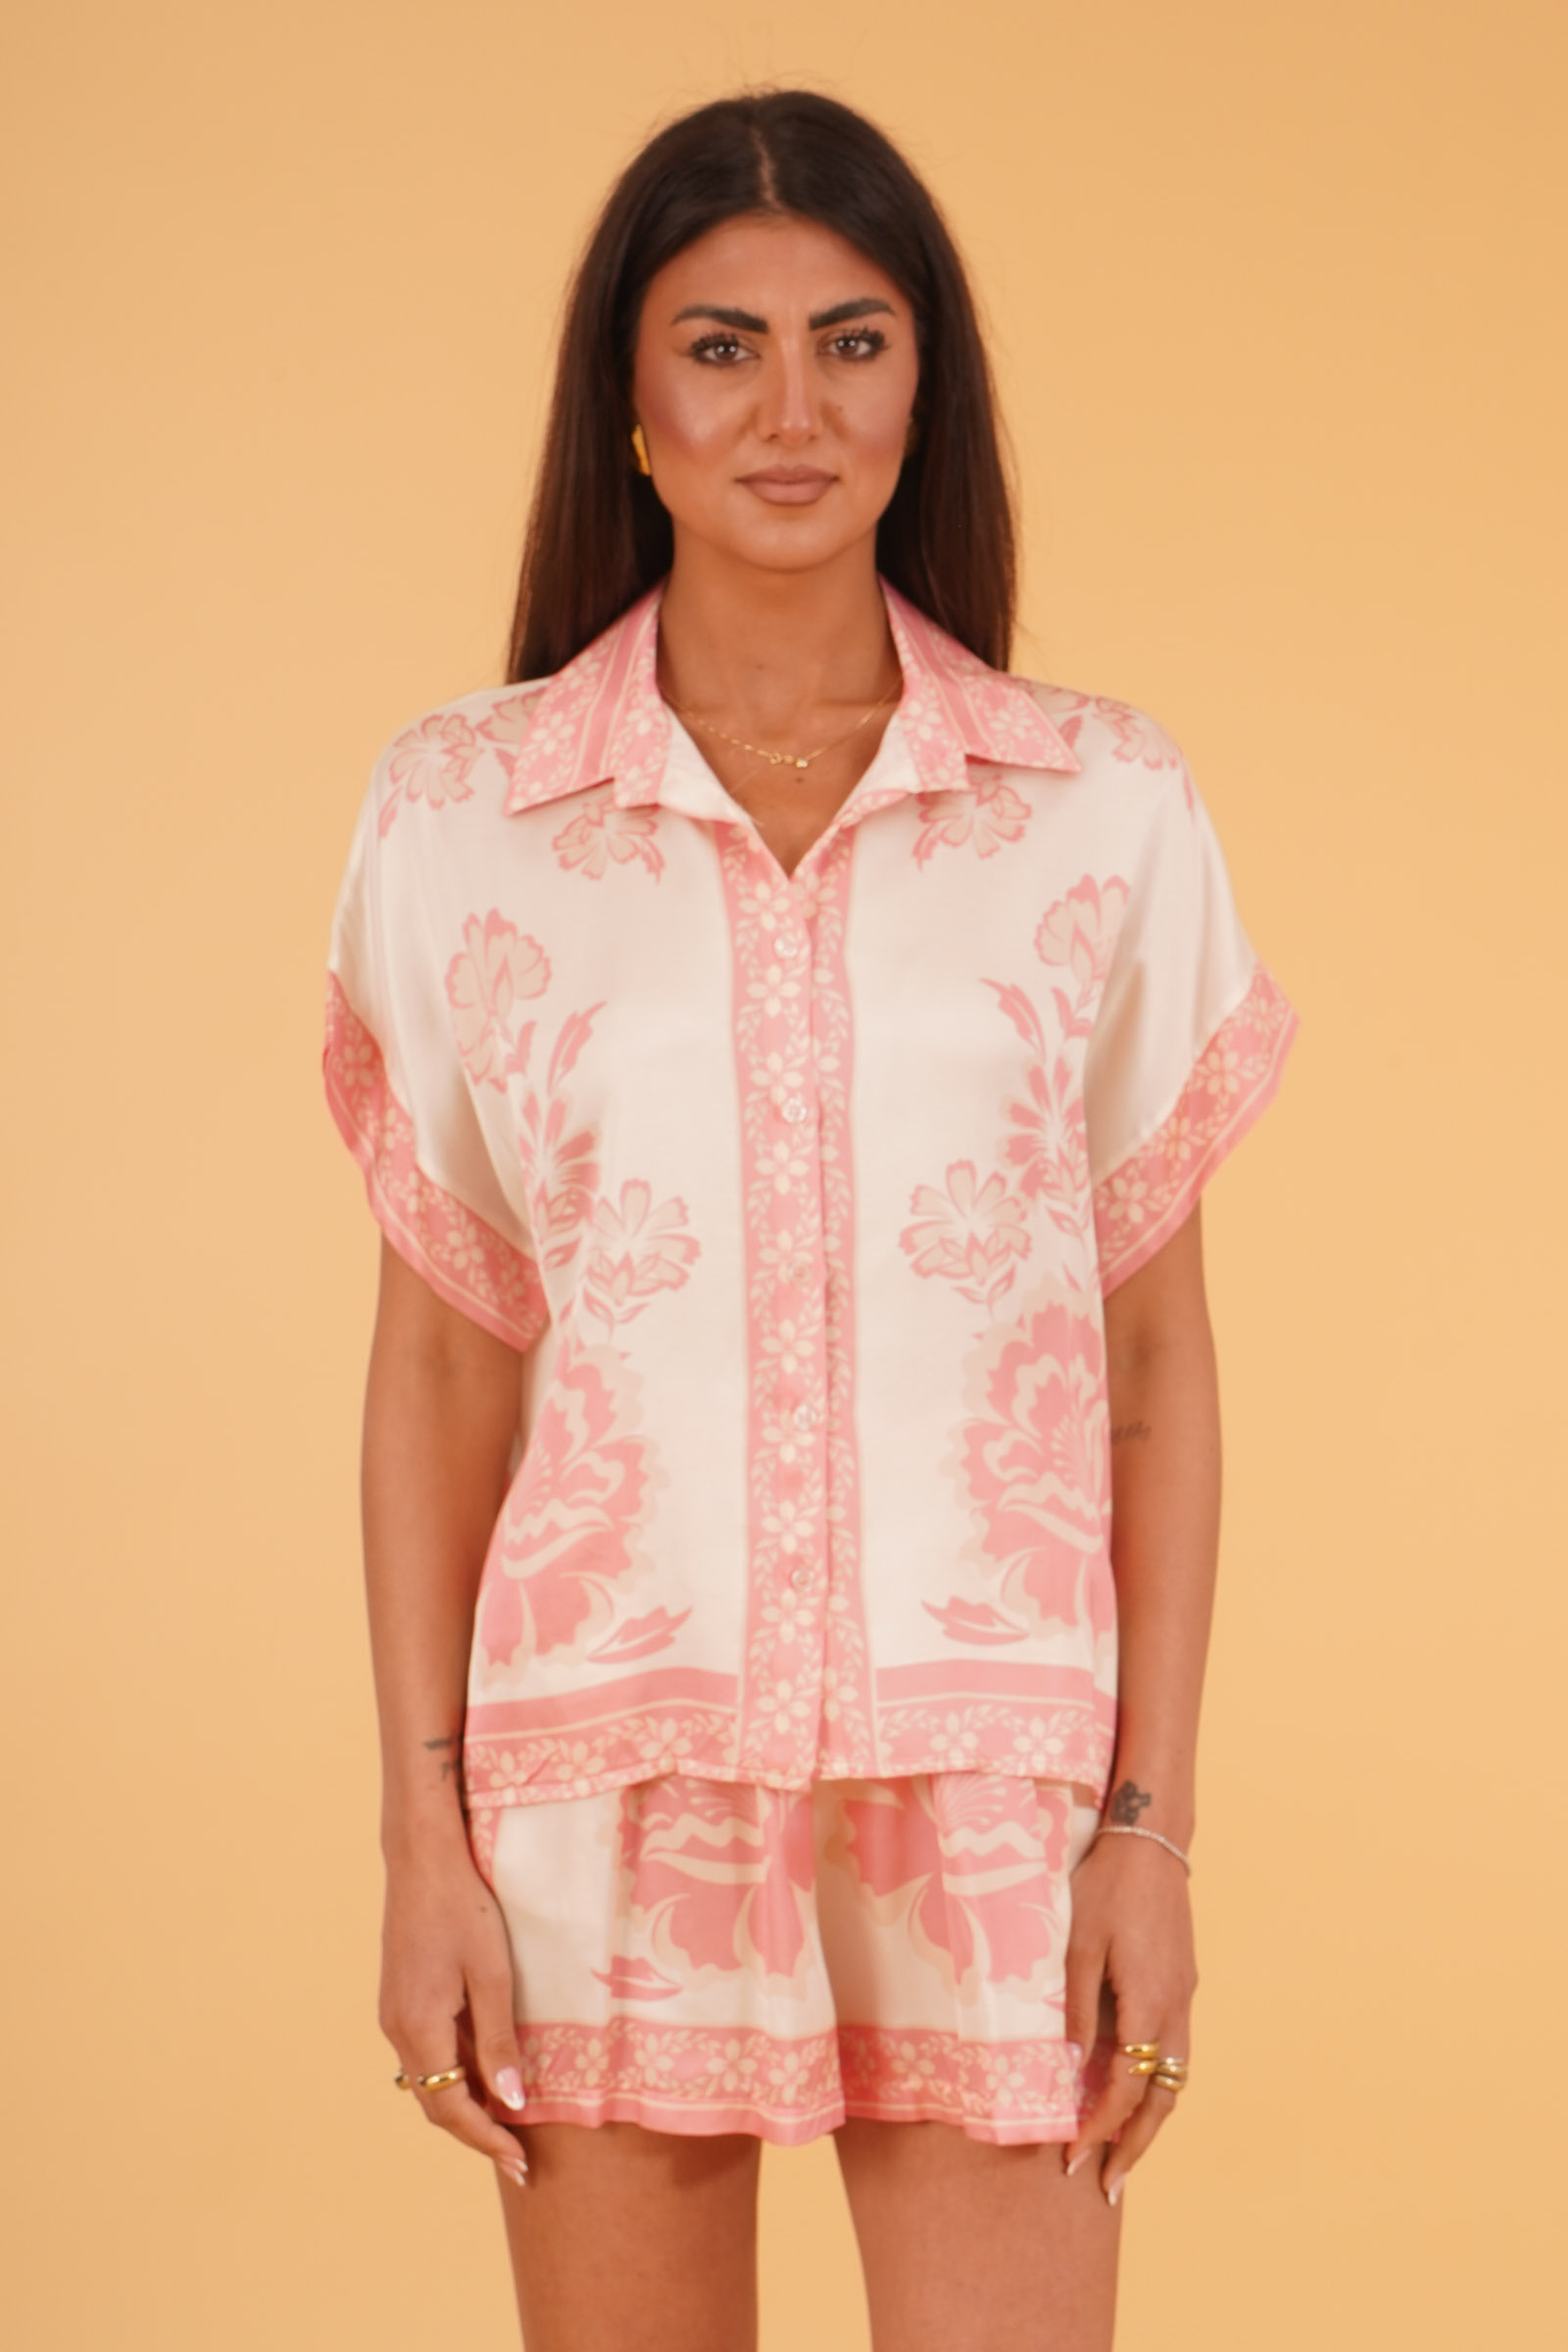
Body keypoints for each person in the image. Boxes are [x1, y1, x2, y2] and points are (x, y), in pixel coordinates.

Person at [322, 86, 1297, 2352]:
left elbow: (1151, 1364)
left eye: (850, 342)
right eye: (721, 346)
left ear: (920, 383)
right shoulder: (462, 814)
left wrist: (1148, 1828)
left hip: (994, 1787)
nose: (791, 409)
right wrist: (420, 1843)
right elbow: (443, 1361)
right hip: (606, 1770)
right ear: (629, 404)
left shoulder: (1097, 804)